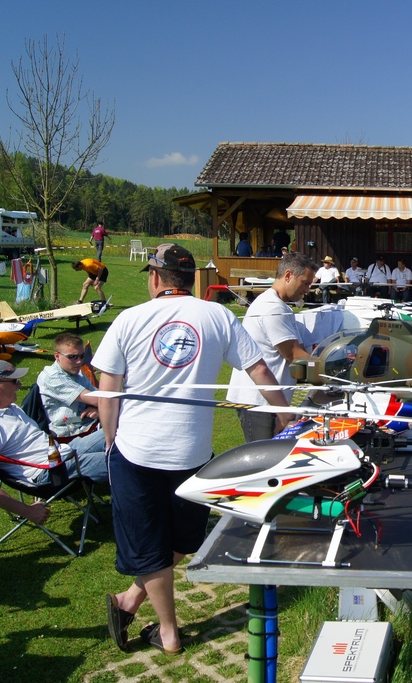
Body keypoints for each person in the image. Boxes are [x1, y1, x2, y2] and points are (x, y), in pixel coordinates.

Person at [93, 243, 290, 656]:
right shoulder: (218, 315)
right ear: (191, 279)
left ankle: (162, 628)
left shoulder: (129, 319)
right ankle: (138, 608)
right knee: (182, 539)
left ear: (154, 277)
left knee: (153, 545)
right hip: (193, 451)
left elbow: (108, 392)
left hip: (136, 451)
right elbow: (258, 368)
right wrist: (284, 413)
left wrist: (110, 441)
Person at [0, 360, 110, 528]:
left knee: (117, 432)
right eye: (14, 381)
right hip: (50, 472)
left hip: (63, 451)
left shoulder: (10, 408)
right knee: (123, 460)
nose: (20, 385)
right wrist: (27, 511)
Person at [228, 252, 318, 442]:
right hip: (260, 403)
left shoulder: (280, 307)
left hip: (268, 401)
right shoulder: (272, 308)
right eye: (305, 283)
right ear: (288, 275)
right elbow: (295, 356)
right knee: (264, 457)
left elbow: (299, 350)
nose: (307, 290)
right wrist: (334, 372)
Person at [36, 333, 106, 457]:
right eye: (72, 357)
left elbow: (98, 396)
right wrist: (100, 406)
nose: (79, 361)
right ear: (57, 356)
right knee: (120, 435)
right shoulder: (52, 377)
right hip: (68, 438)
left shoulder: (76, 372)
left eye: (82, 356)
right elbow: (99, 399)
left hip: (86, 426)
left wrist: (97, 408)